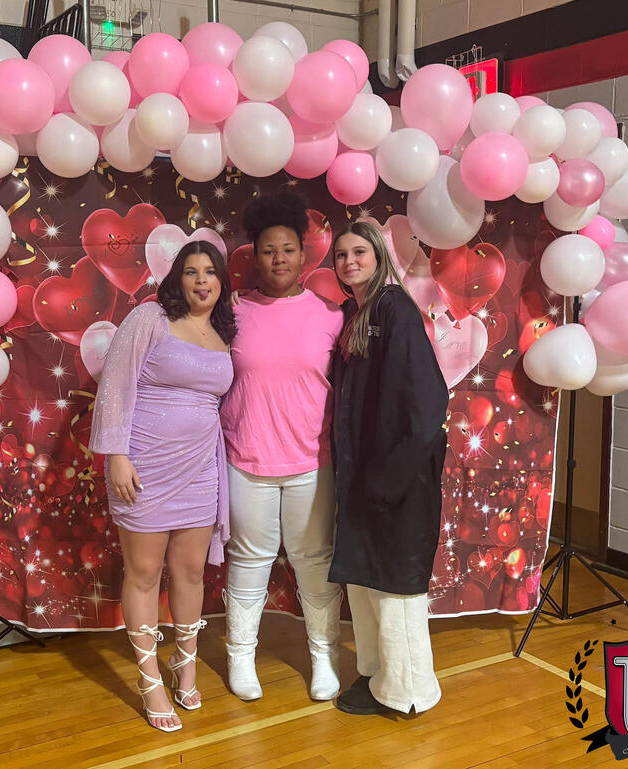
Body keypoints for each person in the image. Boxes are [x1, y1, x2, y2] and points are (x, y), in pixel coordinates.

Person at [91, 241, 236, 732]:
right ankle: (149, 678)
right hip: (144, 466)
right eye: (192, 272)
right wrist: (116, 455)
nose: (202, 281)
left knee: (191, 572)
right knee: (144, 572)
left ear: (221, 281)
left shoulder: (224, 330)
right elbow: (115, 383)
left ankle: (185, 663)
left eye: (210, 272)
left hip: (200, 469)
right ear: (177, 278)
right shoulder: (150, 317)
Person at [219, 191, 345, 702]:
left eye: (288, 249)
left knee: (313, 558)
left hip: (312, 461)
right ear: (254, 255)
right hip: (245, 458)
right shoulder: (231, 311)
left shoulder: (331, 315)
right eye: (268, 251)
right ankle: (240, 657)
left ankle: (324, 657)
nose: (278, 259)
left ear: (303, 253)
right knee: (249, 557)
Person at [328, 220, 449, 716]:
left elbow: (427, 402)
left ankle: (408, 693)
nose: (349, 261)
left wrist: (390, 477)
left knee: (394, 586)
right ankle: (376, 674)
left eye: (359, 251)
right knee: (366, 579)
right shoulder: (356, 314)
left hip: (398, 476)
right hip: (363, 475)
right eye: (341, 255)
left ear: (378, 256)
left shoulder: (394, 308)